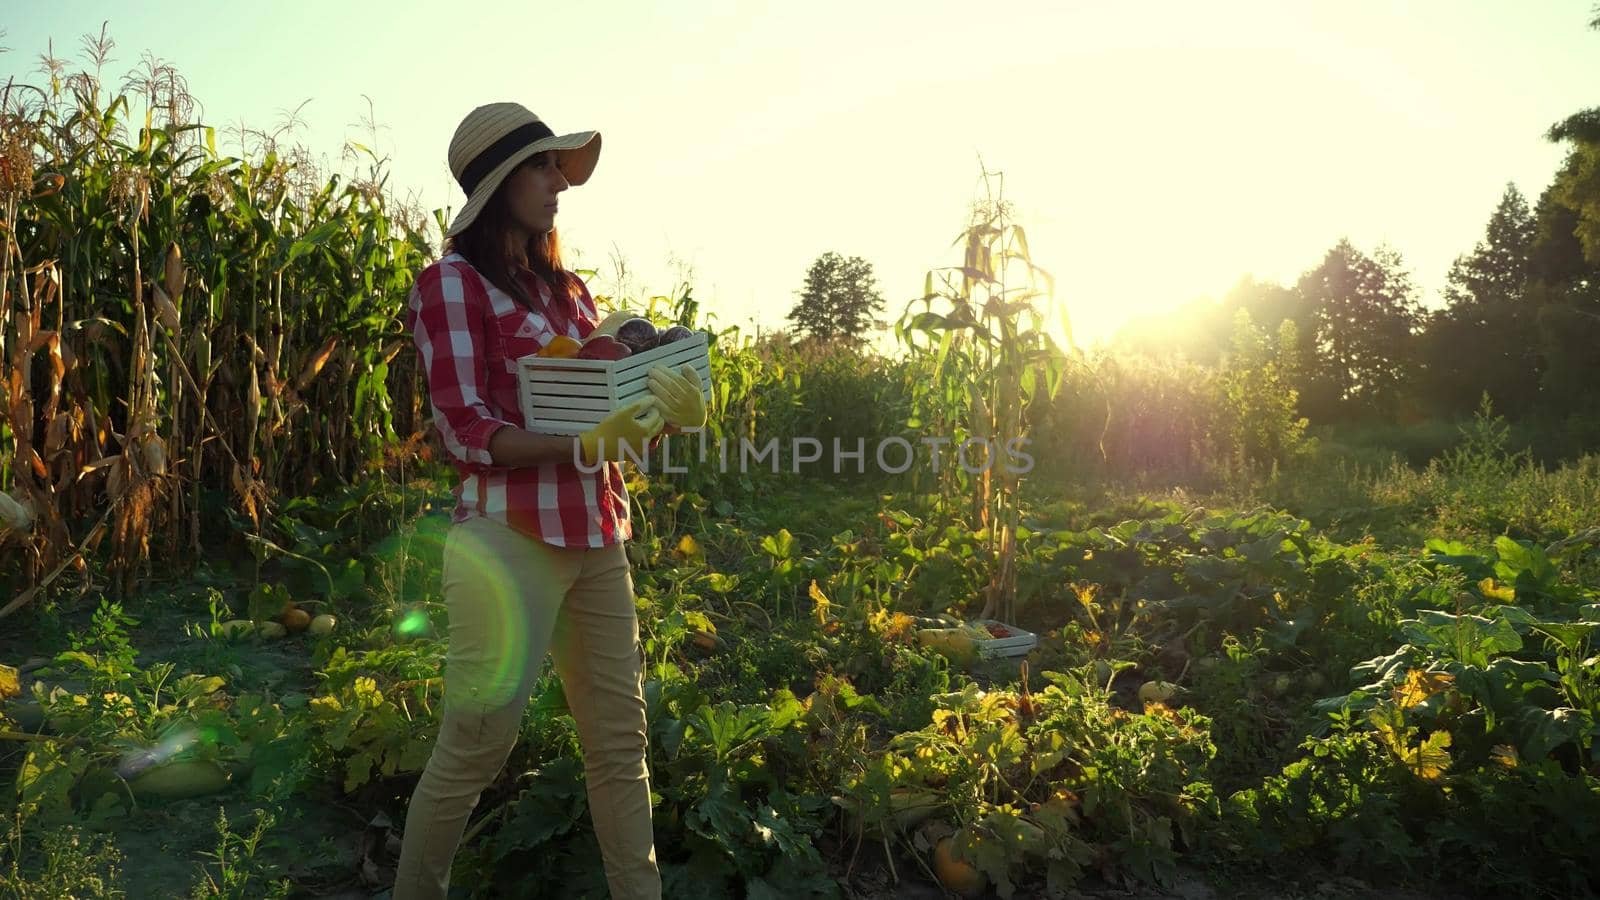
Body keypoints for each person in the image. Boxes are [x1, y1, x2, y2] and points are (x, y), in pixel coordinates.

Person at [392, 101, 706, 900]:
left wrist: (666, 414)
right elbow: (464, 429)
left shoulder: (570, 295)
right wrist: (577, 447)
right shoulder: (451, 286)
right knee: (476, 744)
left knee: (617, 744)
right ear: (499, 184)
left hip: (596, 535)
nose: (558, 184)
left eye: (557, 167)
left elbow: (616, 432)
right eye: (541, 167)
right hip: (508, 541)